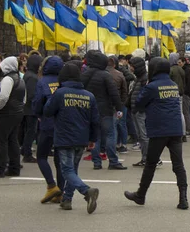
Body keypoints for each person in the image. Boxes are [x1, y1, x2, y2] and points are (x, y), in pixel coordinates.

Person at [124, 57, 189, 210]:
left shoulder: (152, 87)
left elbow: (139, 104)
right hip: (175, 129)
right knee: (178, 165)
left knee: (150, 164)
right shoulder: (173, 85)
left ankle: (140, 195)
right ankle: (183, 198)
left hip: (159, 130)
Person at [43, 64, 100, 213]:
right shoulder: (89, 95)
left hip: (64, 137)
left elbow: (47, 111)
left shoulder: (60, 93)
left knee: (67, 170)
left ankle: (87, 191)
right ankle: (67, 199)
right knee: (73, 169)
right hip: (82, 138)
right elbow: (95, 120)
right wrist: (93, 139)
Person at [81, 50, 126, 170]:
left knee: (95, 136)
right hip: (105, 109)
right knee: (110, 135)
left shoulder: (85, 74)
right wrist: (119, 108)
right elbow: (114, 93)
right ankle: (113, 161)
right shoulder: (105, 75)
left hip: (90, 110)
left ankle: (96, 162)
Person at [32, 56, 65, 203]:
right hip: (62, 123)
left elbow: (37, 101)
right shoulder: (63, 81)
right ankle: (61, 193)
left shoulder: (42, 82)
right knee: (59, 160)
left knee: (41, 156)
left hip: (47, 123)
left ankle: (51, 185)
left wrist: (38, 114)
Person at [20, 54, 42, 163]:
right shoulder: (33, 77)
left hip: (26, 108)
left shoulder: (28, 74)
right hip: (30, 109)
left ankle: (25, 149)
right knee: (31, 131)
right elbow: (32, 95)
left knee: (28, 131)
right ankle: (27, 153)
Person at [129, 57, 149, 166]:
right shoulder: (138, 78)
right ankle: (145, 158)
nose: (130, 68)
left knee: (143, 136)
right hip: (136, 110)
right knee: (140, 136)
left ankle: (149, 158)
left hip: (140, 111)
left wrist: (138, 107)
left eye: (132, 66)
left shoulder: (144, 78)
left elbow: (143, 95)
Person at [107, 56, 128, 154]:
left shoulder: (102, 74)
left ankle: (110, 147)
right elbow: (124, 90)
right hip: (118, 103)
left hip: (106, 104)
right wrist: (122, 103)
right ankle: (121, 144)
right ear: (115, 64)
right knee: (119, 124)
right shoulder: (120, 75)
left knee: (110, 127)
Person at [181, 57, 190, 136]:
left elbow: (189, 83)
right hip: (186, 93)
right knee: (185, 112)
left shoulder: (187, 71)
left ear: (184, 62)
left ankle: (188, 130)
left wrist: (185, 91)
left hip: (186, 94)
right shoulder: (187, 70)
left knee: (185, 112)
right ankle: (187, 129)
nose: (179, 64)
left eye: (180, 62)